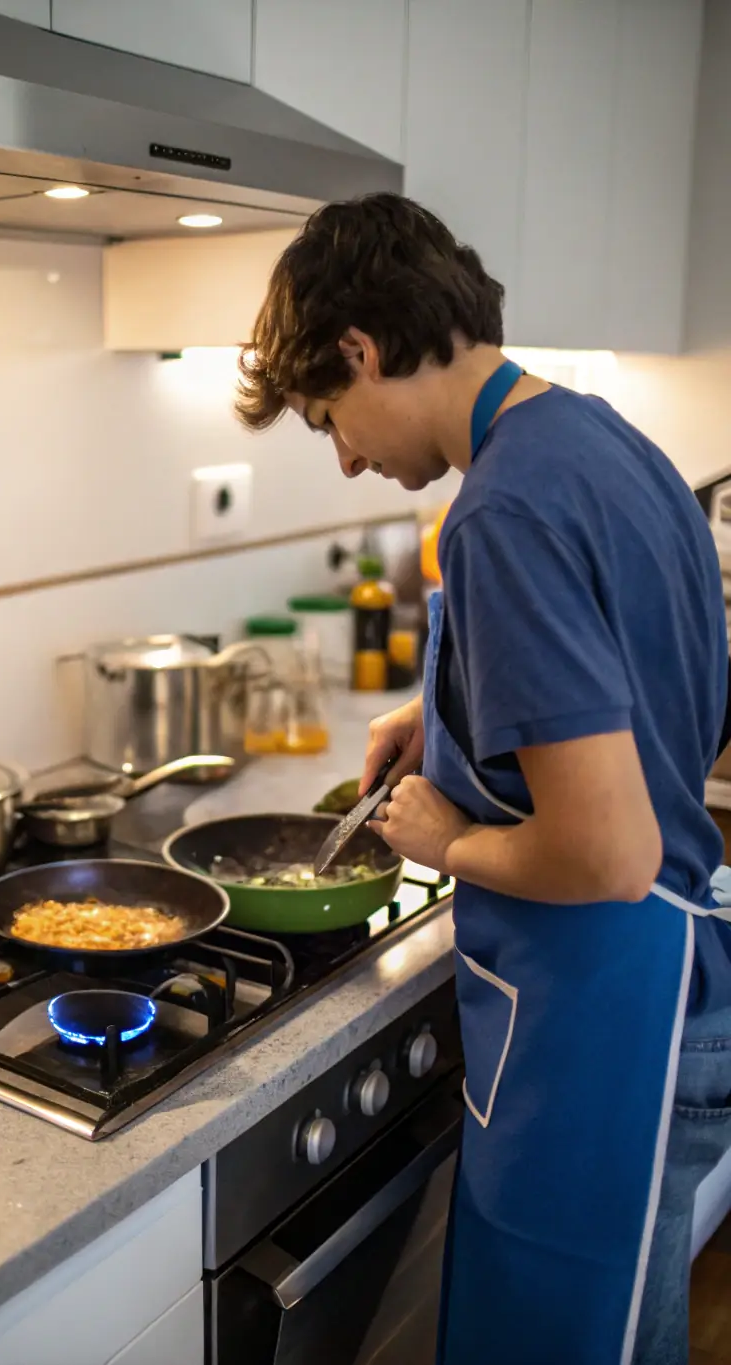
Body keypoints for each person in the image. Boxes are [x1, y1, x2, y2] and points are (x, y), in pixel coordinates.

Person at [234, 192, 731, 1365]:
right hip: (681, 989)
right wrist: (453, 706)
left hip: (610, 1016)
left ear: (361, 349)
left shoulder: (499, 511)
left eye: (328, 418)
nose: (348, 456)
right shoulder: (596, 438)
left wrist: (447, 840)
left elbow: (609, 855)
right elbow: (657, 664)